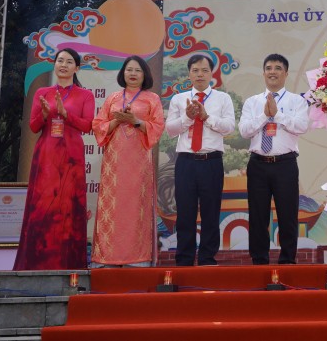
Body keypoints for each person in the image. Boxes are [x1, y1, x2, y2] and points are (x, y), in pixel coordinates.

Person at [14, 48, 95, 270]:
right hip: (47, 154)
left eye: (69, 62)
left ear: (77, 68)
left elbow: (88, 126)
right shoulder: (43, 92)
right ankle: (36, 262)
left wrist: (66, 115)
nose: (63, 65)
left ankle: (68, 263)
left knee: (67, 206)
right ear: (54, 64)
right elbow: (33, 126)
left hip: (71, 156)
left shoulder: (85, 95)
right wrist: (44, 114)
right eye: (60, 61)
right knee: (44, 206)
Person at [91, 56, 165, 267]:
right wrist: (117, 120)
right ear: (123, 73)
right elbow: (98, 125)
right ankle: (107, 257)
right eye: (129, 69)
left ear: (144, 75)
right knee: (113, 207)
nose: (133, 74)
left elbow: (158, 127)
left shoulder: (152, 99)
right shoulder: (113, 98)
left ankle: (138, 258)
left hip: (139, 162)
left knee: (136, 206)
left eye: (137, 70)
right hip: (114, 164)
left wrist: (136, 121)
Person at [164, 54, 235, 266]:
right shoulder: (178, 99)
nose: (200, 74)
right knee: (185, 212)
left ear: (212, 73)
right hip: (186, 162)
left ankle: (207, 259)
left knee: (210, 212)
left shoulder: (223, 98)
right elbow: (170, 130)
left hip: (211, 161)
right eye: (195, 70)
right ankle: (184, 259)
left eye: (204, 70)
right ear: (189, 74)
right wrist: (187, 117)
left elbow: (229, 128)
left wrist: (206, 117)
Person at [238, 54, 309, 265]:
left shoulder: (297, 101)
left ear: (286, 73)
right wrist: (264, 116)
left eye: (278, 68)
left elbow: (301, 126)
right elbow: (244, 131)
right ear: (263, 73)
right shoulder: (252, 102)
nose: (273, 71)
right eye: (269, 68)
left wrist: (277, 115)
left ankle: (287, 260)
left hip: (285, 164)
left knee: (288, 215)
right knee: (258, 215)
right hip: (258, 164)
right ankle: (259, 261)